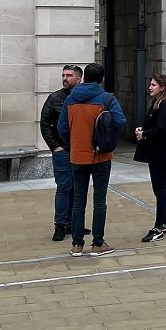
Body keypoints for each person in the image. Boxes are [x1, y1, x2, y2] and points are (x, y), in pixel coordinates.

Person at [58, 62, 127, 257]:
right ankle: (97, 243)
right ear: (101, 79)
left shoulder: (70, 100)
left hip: (77, 156)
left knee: (79, 201)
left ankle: (77, 245)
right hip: (101, 156)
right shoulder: (107, 98)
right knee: (99, 201)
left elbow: (62, 128)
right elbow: (120, 122)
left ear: (84, 78)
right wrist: (107, 138)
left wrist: (74, 143)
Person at [39, 64, 83, 239]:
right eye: (63, 75)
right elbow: (45, 123)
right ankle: (60, 224)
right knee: (64, 187)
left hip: (80, 150)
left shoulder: (84, 97)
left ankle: (73, 223)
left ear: (79, 78)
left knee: (77, 188)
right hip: (63, 150)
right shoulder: (55, 98)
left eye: (69, 75)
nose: (65, 78)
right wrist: (55, 146)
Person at [133, 74, 166, 242]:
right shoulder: (157, 104)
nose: (150, 87)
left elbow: (162, 129)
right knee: (162, 187)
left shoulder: (164, 105)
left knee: (160, 190)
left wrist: (144, 134)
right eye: (150, 84)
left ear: (162, 87)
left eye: (153, 85)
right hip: (157, 151)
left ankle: (158, 228)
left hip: (159, 152)